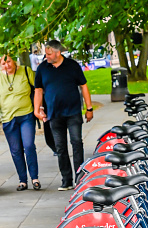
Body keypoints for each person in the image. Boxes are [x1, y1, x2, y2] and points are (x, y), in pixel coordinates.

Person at [34, 39, 93, 191]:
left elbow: (83, 86)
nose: (46, 57)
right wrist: (37, 109)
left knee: (76, 143)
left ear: (57, 52)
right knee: (60, 148)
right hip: (54, 114)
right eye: (45, 54)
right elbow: (38, 90)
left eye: (48, 54)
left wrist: (89, 108)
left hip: (73, 112)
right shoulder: (42, 69)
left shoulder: (72, 66)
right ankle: (66, 180)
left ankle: (80, 179)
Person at [0, 55, 40, 191]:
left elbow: (38, 89)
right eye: (4, 63)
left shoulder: (25, 71)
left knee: (29, 146)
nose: (7, 65)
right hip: (8, 119)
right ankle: (22, 180)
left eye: (9, 61)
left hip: (26, 115)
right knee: (16, 151)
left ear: (14, 61)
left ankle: (35, 178)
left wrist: (38, 108)